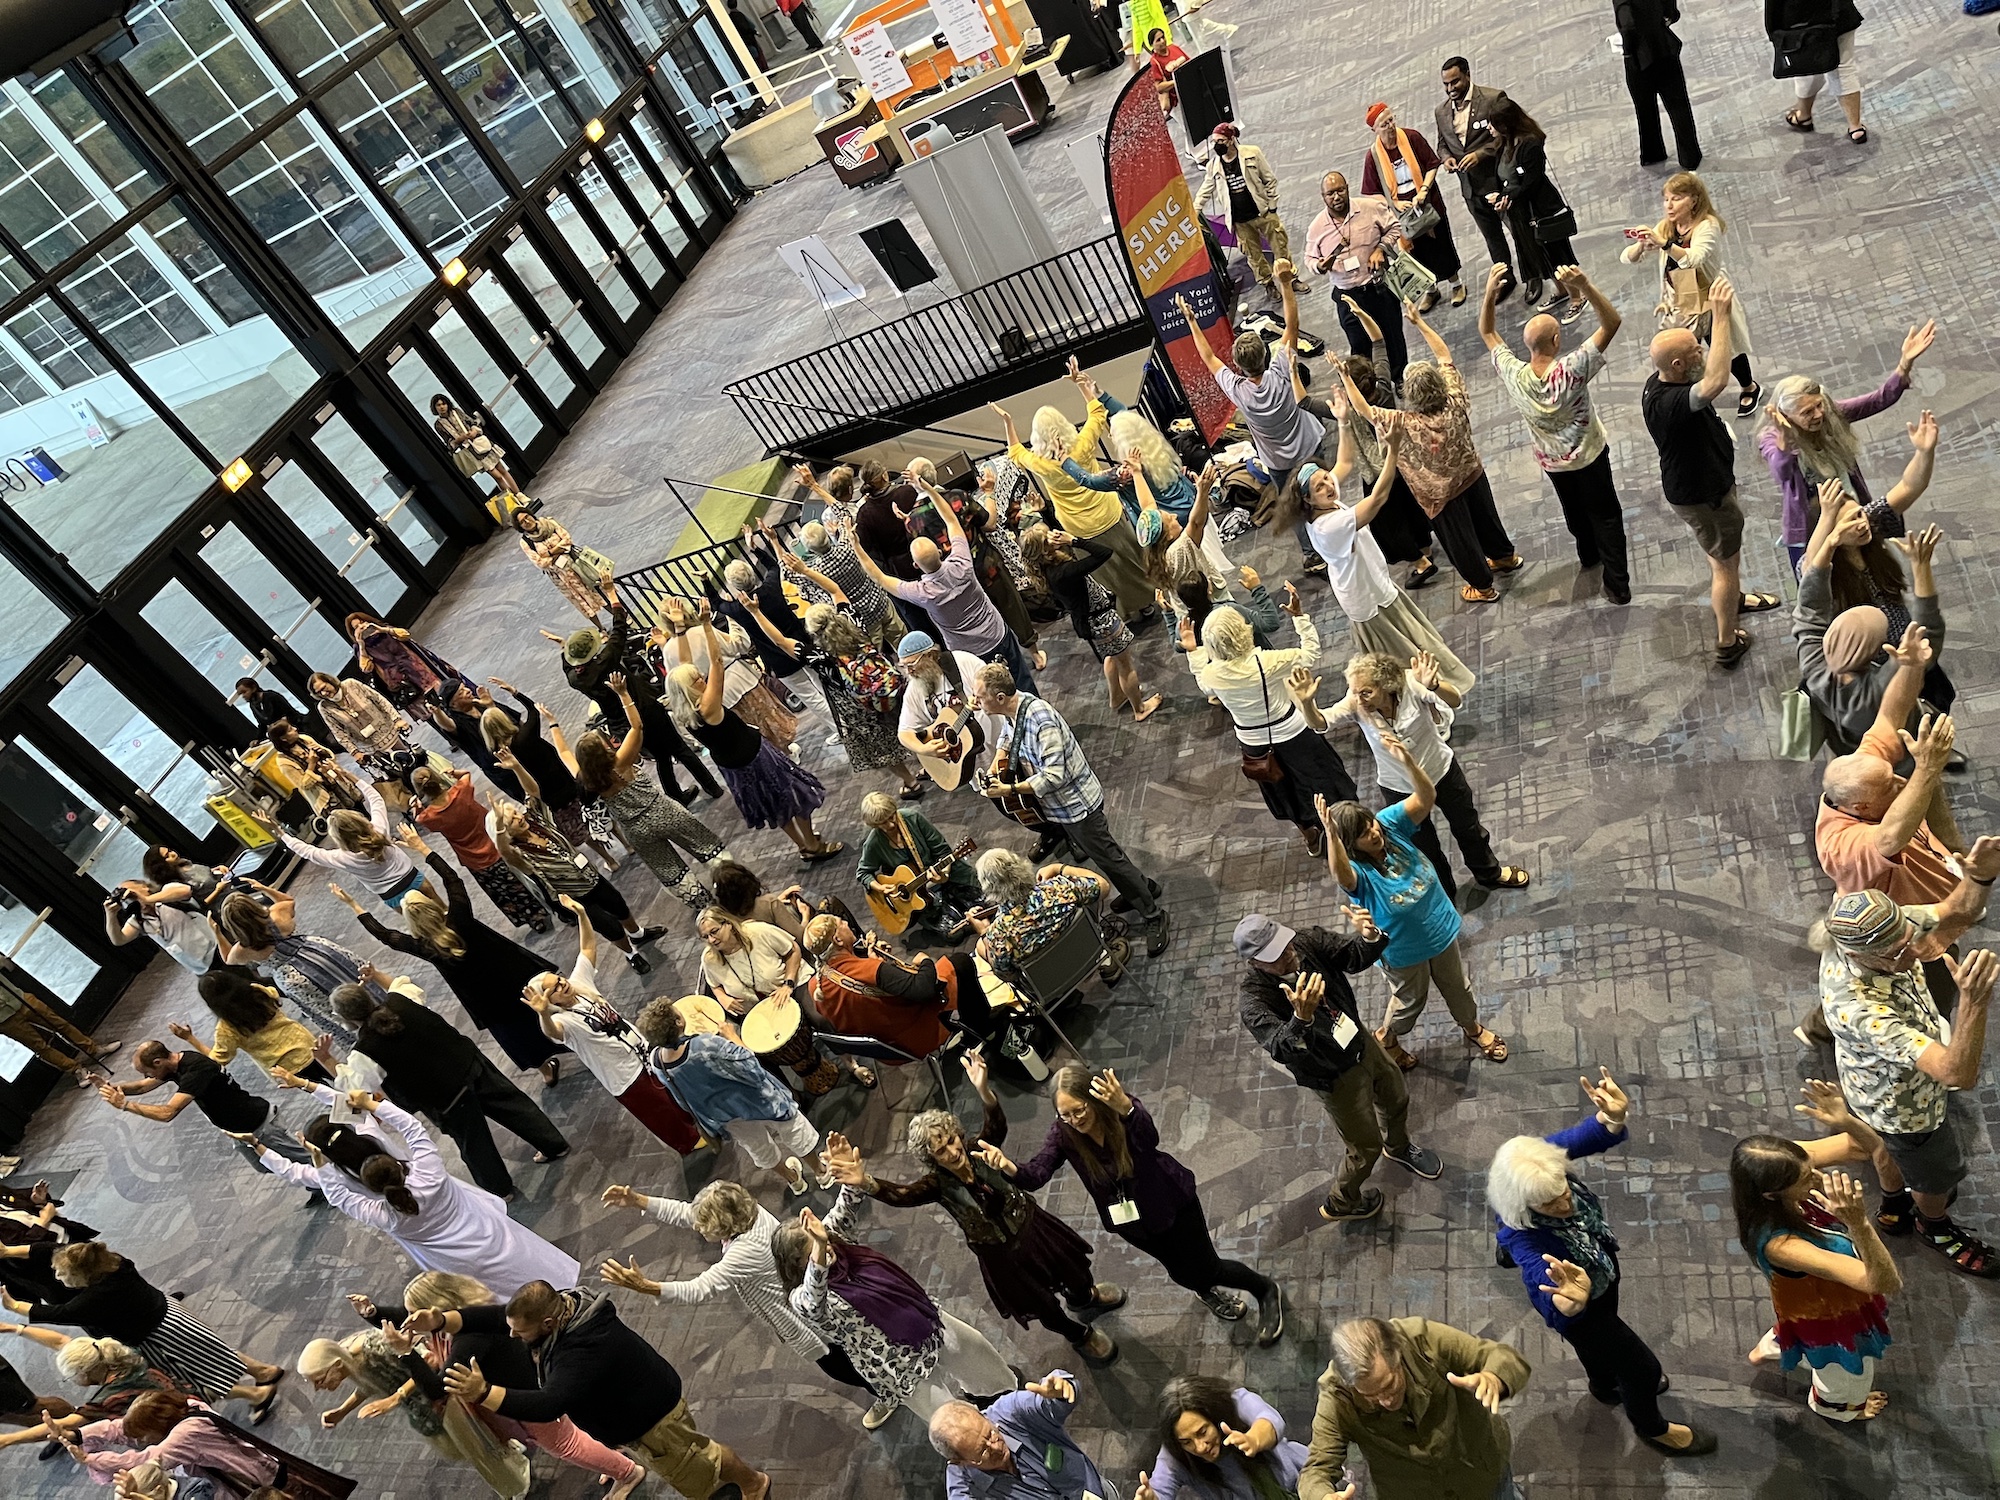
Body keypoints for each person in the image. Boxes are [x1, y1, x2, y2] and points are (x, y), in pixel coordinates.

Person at [825, 1057, 1127, 1364]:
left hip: (1033, 1228)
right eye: (941, 1151)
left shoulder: (977, 1148)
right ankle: (1079, 1335)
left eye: (953, 1140)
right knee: (1044, 1305)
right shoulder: (936, 1184)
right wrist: (865, 1181)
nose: (953, 1151)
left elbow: (997, 1125)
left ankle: (1084, 1298)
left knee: (1071, 1269)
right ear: (931, 1158)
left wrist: (983, 1090)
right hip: (1002, 1257)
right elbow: (901, 1195)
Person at [1487, 1068, 1715, 1455]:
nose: (1566, 1203)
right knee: (1642, 1368)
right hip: (1579, 1301)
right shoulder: (1523, 1236)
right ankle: (1651, 1427)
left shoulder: (1537, 1167)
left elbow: (1575, 1140)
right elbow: (1539, 1277)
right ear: (1522, 1205)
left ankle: (1605, 1385)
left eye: (1563, 1189)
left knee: (1603, 1351)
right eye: (1549, 1203)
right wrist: (1568, 1301)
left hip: (1598, 1270)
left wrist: (1612, 1117)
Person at [983, 1064, 1285, 1344]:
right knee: (1178, 1270)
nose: (1076, 1121)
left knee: (1209, 1267)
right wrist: (1007, 1166)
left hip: (1172, 1205)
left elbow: (1149, 1138)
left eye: (1079, 1110)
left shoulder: (1121, 1111)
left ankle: (1265, 1288)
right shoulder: (1064, 1134)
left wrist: (1125, 1108)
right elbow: (1036, 1174)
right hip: (1132, 1222)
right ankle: (1204, 1289)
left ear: (1094, 1098)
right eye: (1066, 1115)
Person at [1816, 874, 2000, 1275]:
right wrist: (1974, 1002)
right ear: (1866, 956)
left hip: (1866, 1083)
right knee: (1936, 1177)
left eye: (1909, 936)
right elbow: (1957, 1073)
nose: (1916, 951)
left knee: (1887, 1150)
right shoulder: (1862, 1008)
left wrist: (1981, 874)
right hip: (1905, 1105)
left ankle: (1893, 1206)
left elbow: (1957, 910)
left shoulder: (1882, 927)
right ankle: (1932, 1225)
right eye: (1899, 952)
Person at [439, 1279, 771, 1500]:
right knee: (699, 1453)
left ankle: (754, 1485)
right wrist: (438, 1322)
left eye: (520, 1332)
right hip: (642, 1409)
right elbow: (499, 1319)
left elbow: (549, 1404)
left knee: (701, 1462)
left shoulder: (582, 1349)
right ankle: (749, 1481)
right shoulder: (568, 1305)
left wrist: (483, 1392)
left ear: (548, 1325)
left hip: (653, 1423)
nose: (512, 1336)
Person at [259, 1078, 579, 1295]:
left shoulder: (374, 1207)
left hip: (458, 1262)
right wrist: (310, 1085)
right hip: (482, 1226)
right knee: (528, 1259)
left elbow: (323, 1187)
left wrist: (264, 1150)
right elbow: (405, 1124)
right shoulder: (410, 1160)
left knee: (500, 1292)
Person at [1234, 910, 1440, 1226]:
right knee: (1364, 1149)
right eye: (1276, 957)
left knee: (1396, 1094)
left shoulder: (1306, 942)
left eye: (1286, 945)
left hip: (1359, 1041)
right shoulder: (1254, 999)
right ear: (1255, 963)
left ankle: (1398, 1147)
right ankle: (1343, 1201)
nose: (1289, 955)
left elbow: (1353, 957)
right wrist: (1300, 1019)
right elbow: (1280, 1047)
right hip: (1332, 1075)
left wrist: (1371, 937)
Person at [1320, 737, 1511, 1069]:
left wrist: (1409, 762)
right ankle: (1387, 1038)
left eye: (1371, 825)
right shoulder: (1359, 875)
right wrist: (1331, 837)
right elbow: (1340, 874)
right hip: (1402, 952)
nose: (1374, 833)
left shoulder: (1389, 825)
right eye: (1364, 834)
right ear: (1350, 844)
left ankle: (1473, 1029)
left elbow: (1426, 797)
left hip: (1440, 931)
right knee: (1410, 1003)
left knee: (1460, 989)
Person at [362, 1273, 645, 1495]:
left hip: (524, 1397)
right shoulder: (465, 1313)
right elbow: (403, 1316)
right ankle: (611, 1454)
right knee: (571, 1430)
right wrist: (374, 1312)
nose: (408, 1320)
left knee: (565, 1444)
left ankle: (627, 1472)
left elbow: (438, 1389)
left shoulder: (469, 1338)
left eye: (415, 1314)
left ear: (435, 1310)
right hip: (527, 1383)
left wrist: (405, 1353)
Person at [599, 1181, 871, 1405]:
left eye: (705, 1226)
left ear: (722, 1227)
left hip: (803, 1320)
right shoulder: (746, 1212)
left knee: (839, 1364)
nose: (698, 1228)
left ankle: (885, 1392)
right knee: (846, 1351)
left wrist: (646, 1286)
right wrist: (638, 1200)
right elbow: (689, 1214)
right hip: (802, 1298)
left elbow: (700, 1289)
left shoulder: (743, 1253)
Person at [774, 1187, 1018, 1427]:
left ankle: (1001, 1396)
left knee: (976, 1355)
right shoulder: (800, 1298)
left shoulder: (831, 1239)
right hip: (898, 1364)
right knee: (950, 1420)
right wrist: (818, 1246)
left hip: (922, 1321)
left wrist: (851, 1177)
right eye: (815, 1250)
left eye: (823, 1242)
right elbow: (813, 1300)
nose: (826, 1248)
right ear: (798, 1267)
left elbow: (846, 1205)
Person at [973, 661, 1171, 955]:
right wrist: (995, 765)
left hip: (1078, 807)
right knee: (1104, 855)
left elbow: (1054, 776)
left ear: (999, 697)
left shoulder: (1041, 721)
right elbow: (1006, 737)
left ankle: (1153, 914)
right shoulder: (1016, 708)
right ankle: (1142, 887)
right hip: (1060, 809)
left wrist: (1008, 789)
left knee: (1109, 859)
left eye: (980, 696)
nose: (976, 701)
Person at [332, 839, 567, 1085]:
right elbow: (452, 880)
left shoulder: (425, 947)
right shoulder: (460, 916)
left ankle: (545, 1070)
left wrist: (353, 904)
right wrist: (423, 850)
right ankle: (573, 1039)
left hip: (487, 1003)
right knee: (546, 1009)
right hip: (511, 976)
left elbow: (384, 935)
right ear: (431, 906)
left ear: (412, 924)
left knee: (517, 1036)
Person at [1732, 1079, 1900, 1422]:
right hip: (1831, 1318)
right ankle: (1838, 1408)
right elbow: (1881, 1281)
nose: (1819, 1177)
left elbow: (1862, 1148)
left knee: (1794, 1325)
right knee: (1848, 1380)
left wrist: (1846, 1122)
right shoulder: (1783, 1246)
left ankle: (1773, 1346)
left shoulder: (1783, 1167)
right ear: (1772, 1194)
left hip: (1805, 1300)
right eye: (1808, 1178)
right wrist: (1859, 1224)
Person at [1815, 629, 1963, 1012]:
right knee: (1930, 978)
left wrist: (1911, 667)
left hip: (1918, 887)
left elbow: (1889, 715)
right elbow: (1891, 836)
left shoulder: (1864, 773)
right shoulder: (1840, 846)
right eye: (1889, 786)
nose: (1899, 780)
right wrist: (1927, 769)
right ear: (1862, 809)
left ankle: (1820, 1021)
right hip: (1897, 925)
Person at [1641, 274, 1784, 666]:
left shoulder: (1661, 380)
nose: (1702, 354)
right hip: (1704, 495)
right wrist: (1721, 317)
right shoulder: (1672, 404)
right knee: (1725, 564)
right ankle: (1726, 640)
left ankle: (1734, 597)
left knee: (1721, 555)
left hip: (1698, 489)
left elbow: (1706, 368)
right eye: (1695, 352)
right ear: (1677, 364)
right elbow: (1718, 380)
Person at [1339, 302, 1520, 602]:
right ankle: (1504, 557)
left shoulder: (1406, 423)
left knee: (1460, 542)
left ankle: (1483, 587)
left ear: (1410, 395)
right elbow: (1444, 355)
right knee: (1487, 519)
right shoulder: (1455, 397)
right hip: (1472, 473)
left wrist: (1345, 376)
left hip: (1440, 496)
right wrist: (1420, 323)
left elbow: (1364, 409)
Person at [331, 976, 571, 1200]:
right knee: (514, 1106)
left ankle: (500, 1190)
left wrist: (325, 1058)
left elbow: (353, 1090)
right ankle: (554, 1145)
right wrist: (374, 975)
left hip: (446, 1099)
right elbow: (401, 982)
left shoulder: (364, 1053)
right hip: (470, 1064)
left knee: (475, 1145)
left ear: (346, 1018)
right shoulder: (401, 1001)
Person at [1316, 651, 1525, 898]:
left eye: (1366, 692)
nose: (1358, 698)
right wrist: (1309, 704)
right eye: (1355, 691)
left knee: (1468, 828)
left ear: (1385, 685)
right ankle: (1444, 895)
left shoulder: (1411, 683)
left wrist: (1435, 685)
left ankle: (1488, 873)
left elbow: (1455, 699)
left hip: (1441, 771)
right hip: (1399, 787)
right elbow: (1320, 723)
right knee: (1423, 848)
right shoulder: (1356, 702)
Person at [1480, 262, 1631, 602]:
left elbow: (1489, 334)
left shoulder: (1513, 374)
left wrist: (1489, 295)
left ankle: (1588, 556)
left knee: (1575, 512)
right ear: (1557, 339)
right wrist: (1586, 285)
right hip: (1590, 457)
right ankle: (1618, 587)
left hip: (1552, 464)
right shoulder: (1573, 369)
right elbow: (1613, 322)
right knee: (1606, 517)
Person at [1287, 418, 1469, 688]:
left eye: (1325, 478)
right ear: (1307, 499)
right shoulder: (1327, 526)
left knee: (1418, 644)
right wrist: (1393, 450)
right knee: (1402, 663)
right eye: (1319, 487)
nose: (1328, 486)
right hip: (1367, 601)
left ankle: (1440, 694)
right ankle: (1433, 700)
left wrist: (1343, 422)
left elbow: (1346, 462)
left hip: (1376, 586)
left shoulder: (1324, 503)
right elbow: (1378, 499)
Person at [2, 1242, 284, 1414]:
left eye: (61, 1274)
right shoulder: (113, 1263)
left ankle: (257, 1393)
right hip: (170, 1316)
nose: (57, 1277)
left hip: (155, 1338)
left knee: (191, 1376)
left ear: (80, 1275)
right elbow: (51, 1250)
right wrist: (8, 1251)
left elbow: (60, 1312)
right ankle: (263, 1371)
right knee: (212, 1351)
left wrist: (14, 1307)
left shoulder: (94, 1299)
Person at [1184, 578, 1353, 853]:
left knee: (1283, 791)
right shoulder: (1267, 662)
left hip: (1254, 745)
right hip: (1293, 733)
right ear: (1242, 630)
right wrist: (1300, 618)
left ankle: (1310, 836)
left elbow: (1202, 681)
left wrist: (1194, 651)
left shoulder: (1213, 673)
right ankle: (1345, 831)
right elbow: (1311, 653)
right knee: (1325, 781)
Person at [520, 900, 700, 1153]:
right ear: (550, 1001)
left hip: (643, 1051)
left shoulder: (580, 986)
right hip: (624, 1076)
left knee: (674, 1093)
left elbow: (587, 947)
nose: (563, 985)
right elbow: (552, 1032)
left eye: (559, 980)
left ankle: (698, 1124)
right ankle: (690, 1143)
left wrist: (582, 913)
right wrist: (543, 1014)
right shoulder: (564, 1021)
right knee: (660, 1111)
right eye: (555, 989)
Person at [665, 605, 841, 862]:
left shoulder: (687, 713)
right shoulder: (708, 706)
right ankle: (813, 844)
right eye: (698, 680)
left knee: (773, 805)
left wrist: (680, 630)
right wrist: (705, 625)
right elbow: (715, 663)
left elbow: (683, 667)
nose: (702, 678)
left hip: (734, 769)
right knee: (796, 792)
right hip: (756, 758)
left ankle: (802, 845)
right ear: (692, 688)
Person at [1757, 320, 1933, 571]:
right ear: (1786, 415)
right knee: (1820, 577)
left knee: (1869, 563)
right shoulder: (1772, 437)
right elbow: (1781, 472)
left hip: (1851, 506)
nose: (1818, 414)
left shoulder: (1828, 413)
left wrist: (1904, 364)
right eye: (1807, 412)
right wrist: (1786, 439)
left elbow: (1876, 400)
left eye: (1819, 405)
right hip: (1814, 524)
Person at [1298, 1316, 1530, 1500]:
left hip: (1479, 1467)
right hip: (1411, 1491)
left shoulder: (1423, 1339)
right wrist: (1322, 1496)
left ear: (1397, 1355)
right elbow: (1316, 1469)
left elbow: (1503, 1357)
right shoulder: (1337, 1397)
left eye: (1389, 1385)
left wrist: (1494, 1377)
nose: (1386, 1401)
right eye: (1371, 1396)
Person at [852, 474, 1041, 694]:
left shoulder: (922, 593)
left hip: (968, 654)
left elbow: (880, 577)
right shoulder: (962, 562)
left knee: (988, 693)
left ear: (915, 564)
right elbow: (951, 520)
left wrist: (856, 545)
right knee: (1021, 679)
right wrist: (929, 489)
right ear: (941, 551)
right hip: (996, 634)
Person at [1176, 269, 1330, 536]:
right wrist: (1285, 284)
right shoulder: (1282, 367)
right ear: (1265, 353)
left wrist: (1191, 321)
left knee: (1291, 506)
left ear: (1237, 365)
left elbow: (1209, 357)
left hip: (1278, 462)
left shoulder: (1237, 390)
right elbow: (1292, 326)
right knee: (1323, 490)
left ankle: (1311, 552)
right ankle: (1333, 527)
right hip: (1309, 444)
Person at [995, 361, 1155, 617]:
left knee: (1104, 572)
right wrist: (1081, 384)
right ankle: (1147, 602)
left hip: (1077, 528)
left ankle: (1121, 613)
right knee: (1132, 560)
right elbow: (1097, 413)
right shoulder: (1082, 445)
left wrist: (1008, 421)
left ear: (1037, 437)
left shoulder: (1040, 464)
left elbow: (1014, 452)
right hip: (1109, 514)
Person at [489, 751, 671, 973]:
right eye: (513, 821)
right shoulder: (520, 852)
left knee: (617, 904)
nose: (519, 818)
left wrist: (517, 766)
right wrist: (498, 826)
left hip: (589, 875)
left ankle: (637, 934)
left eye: (516, 815)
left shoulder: (536, 821)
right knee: (609, 926)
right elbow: (504, 852)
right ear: (507, 831)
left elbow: (533, 792)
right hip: (573, 895)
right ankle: (630, 954)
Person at [555, 580, 721, 803]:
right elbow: (619, 629)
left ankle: (676, 795)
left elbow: (568, 664)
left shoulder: (575, 678)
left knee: (661, 756)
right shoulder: (606, 660)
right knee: (680, 748)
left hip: (622, 722)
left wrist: (563, 648)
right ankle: (712, 787)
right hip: (646, 708)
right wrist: (612, 595)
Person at [1795, 508, 1945, 754]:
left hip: (1850, 743)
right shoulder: (1885, 683)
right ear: (1875, 651)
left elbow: (1810, 608)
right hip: (1902, 760)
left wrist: (1830, 541)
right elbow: (1929, 637)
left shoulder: (1814, 667)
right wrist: (1921, 567)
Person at [573, 673, 729, 909]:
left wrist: (553, 727)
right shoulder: (621, 763)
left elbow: (565, 755)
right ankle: (730, 883)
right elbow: (637, 725)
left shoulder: (589, 781)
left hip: (635, 830)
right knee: (704, 845)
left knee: (670, 869)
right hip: (661, 810)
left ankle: (704, 906)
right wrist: (624, 694)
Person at [636, 995, 818, 1194]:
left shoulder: (657, 1062)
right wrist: (732, 1036)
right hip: (757, 1100)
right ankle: (821, 1172)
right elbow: (752, 1068)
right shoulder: (705, 1045)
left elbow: (682, 1100)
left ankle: (794, 1180)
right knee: (792, 1128)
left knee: (758, 1146)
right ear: (679, 1022)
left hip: (726, 1116)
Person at [1624, 171, 1761, 416]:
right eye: (1666, 199)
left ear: (1694, 200)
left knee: (1723, 345)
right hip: (1680, 298)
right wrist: (1640, 244)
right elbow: (1628, 258)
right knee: (1684, 352)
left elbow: (1694, 259)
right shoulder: (1667, 226)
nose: (1669, 205)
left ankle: (1749, 386)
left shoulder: (1708, 226)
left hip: (1710, 295)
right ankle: (1693, 395)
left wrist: (1665, 244)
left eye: (1676, 198)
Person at [55, 1389, 355, 1497]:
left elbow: (147, 1461)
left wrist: (92, 1460)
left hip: (261, 1483)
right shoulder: (188, 1406)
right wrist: (81, 1435)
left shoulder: (185, 1436)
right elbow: (127, 1428)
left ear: (157, 1428)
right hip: (263, 1469)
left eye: (146, 1434)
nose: (141, 1439)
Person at [92, 1038, 317, 1181]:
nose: (146, 1076)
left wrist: (124, 1105)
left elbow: (168, 1112)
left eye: (147, 1071)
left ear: (158, 1062)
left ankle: (334, 1181)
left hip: (257, 1123)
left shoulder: (195, 1071)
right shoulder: (176, 1064)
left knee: (301, 1158)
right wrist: (111, 1087)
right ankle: (315, 1183)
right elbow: (142, 1087)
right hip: (239, 1128)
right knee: (264, 1165)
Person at [1019, 521, 1162, 723]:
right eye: (1048, 537)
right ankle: (1139, 708)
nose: (1055, 536)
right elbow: (1104, 553)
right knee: (1125, 665)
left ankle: (1117, 697)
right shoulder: (1063, 572)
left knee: (1111, 657)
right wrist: (1074, 541)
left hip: (1093, 620)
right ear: (1045, 549)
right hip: (1101, 620)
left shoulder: (1049, 569)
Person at [807, 913, 1000, 1059]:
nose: (847, 924)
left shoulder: (815, 986)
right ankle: (984, 1028)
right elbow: (924, 990)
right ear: (838, 940)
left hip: (885, 1048)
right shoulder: (870, 970)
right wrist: (924, 961)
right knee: (960, 962)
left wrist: (876, 964)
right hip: (912, 1036)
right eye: (842, 924)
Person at [792, 601, 928, 793]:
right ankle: (930, 765)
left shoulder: (819, 656)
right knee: (913, 726)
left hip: (865, 708)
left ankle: (911, 783)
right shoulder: (855, 626)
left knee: (884, 749)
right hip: (891, 690)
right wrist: (805, 570)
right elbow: (836, 591)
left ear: (814, 632)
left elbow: (781, 642)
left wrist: (754, 613)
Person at [408, 761, 552, 931]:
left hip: (474, 860)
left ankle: (532, 919)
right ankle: (551, 902)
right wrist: (454, 773)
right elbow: (466, 774)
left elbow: (418, 819)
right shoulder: (462, 791)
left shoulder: (429, 817)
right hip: (497, 845)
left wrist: (416, 807)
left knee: (503, 891)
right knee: (526, 877)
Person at [211, 884, 362, 1045]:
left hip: (293, 979)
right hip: (317, 953)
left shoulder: (243, 949)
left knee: (331, 1011)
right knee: (353, 978)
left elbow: (227, 958)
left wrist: (217, 933)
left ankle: (362, 1040)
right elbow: (288, 900)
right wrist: (264, 889)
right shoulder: (278, 915)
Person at [1304, 174, 1415, 382]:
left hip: (1378, 288)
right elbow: (1309, 259)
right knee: (1359, 345)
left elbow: (1394, 227)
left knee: (1393, 337)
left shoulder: (1369, 208)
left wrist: (1381, 249)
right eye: (1330, 193)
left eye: (1340, 190)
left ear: (1347, 188)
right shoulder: (1316, 227)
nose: (1336, 197)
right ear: (1323, 197)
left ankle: (1399, 378)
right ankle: (1371, 387)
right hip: (1348, 296)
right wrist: (1319, 266)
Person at [263, 779, 438, 910]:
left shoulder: (341, 857)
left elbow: (307, 851)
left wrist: (280, 832)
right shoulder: (379, 830)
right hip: (412, 878)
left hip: (392, 896)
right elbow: (375, 800)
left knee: (423, 930)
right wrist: (350, 776)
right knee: (445, 911)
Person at [975, 848, 1127, 995]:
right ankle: (1104, 958)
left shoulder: (999, 934)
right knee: (1086, 896)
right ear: (1020, 866)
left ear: (988, 890)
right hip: (1087, 954)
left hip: (1050, 986)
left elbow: (1007, 975)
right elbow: (1103, 886)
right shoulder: (1059, 888)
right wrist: (1059, 868)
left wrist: (984, 933)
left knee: (981, 947)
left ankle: (1062, 1000)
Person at [930, 1371, 1103, 1500]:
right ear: (961, 1462)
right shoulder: (966, 1491)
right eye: (983, 1451)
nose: (996, 1447)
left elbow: (1047, 1401)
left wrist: (1062, 1391)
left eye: (991, 1434)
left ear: (983, 1416)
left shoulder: (1011, 1412)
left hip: (1095, 1489)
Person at [1358, 101, 1464, 310]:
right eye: (1384, 124)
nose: (1390, 126)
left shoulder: (1411, 137)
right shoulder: (1373, 157)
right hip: (1403, 215)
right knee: (1417, 253)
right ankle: (1431, 290)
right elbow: (1372, 193)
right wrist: (1394, 202)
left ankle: (1456, 284)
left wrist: (1424, 190)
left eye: (1391, 120)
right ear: (1374, 130)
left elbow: (1432, 164)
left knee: (1441, 245)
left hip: (1427, 204)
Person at [1137, 1374, 1311, 1500]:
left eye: (1202, 1432)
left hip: (1299, 1479)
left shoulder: (1235, 1403)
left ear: (1214, 1416)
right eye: (1187, 1442)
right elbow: (1160, 1487)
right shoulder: (1175, 1455)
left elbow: (1270, 1420)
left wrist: (1253, 1439)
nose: (1200, 1447)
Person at [1484, 99, 1579, 317]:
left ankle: (1577, 297)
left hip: (1542, 210)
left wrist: (1508, 196)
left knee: (1558, 255)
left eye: (1492, 123)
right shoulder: (1504, 144)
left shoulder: (1531, 144)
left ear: (1506, 124)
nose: (1489, 128)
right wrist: (1502, 196)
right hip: (1522, 213)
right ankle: (1562, 291)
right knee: (1540, 255)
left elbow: (1531, 181)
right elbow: (1507, 178)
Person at [1434, 56, 1518, 297]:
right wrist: (1446, 158)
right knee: (1492, 237)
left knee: (1518, 231)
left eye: (1455, 82)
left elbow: (1506, 135)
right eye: (1446, 84)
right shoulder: (1441, 112)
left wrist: (1481, 154)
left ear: (1468, 75)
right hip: (1470, 189)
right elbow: (1442, 143)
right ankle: (1506, 278)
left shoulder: (1492, 99)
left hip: (1499, 182)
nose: (1450, 89)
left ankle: (1534, 275)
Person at [855, 793, 981, 947]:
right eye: (883, 823)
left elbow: (943, 851)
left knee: (987, 902)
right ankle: (954, 909)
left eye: (891, 816)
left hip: (943, 875)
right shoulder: (874, 843)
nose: (891, 824)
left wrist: (944, 874)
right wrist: (881, 887)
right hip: (920, 895)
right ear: (874, 825)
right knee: (954, 934)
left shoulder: (912, 818)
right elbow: (863, 873)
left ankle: (958, 907)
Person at [766, 515, 903, 655]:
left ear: (809, 549)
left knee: (876, 656)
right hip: (880, 603)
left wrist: (774, 541)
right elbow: (843, 513)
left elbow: (786, 570)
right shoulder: (847, 547)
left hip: (862, 621)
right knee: (903, 639)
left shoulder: (813, 574)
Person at [1196, 123, 1293, 295]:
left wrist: (1271, 206)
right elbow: (1205, 189)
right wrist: (1195, 210)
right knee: (1254, 256)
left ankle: (1291, 278)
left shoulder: (1252, 154)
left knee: (1280, 246)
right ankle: (1268, 284)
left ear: (1232, 139)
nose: (1217, 145)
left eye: (1221, 140)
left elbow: (1269, 179)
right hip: (1240, 220)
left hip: (1262, 212)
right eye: (1214, 141)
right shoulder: (1214, 166)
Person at [187, 967, 329, 1084]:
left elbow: (218, 1059)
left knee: (326, 1094)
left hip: (287, 1066)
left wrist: (189, 1038)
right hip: (307, 1044)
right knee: (341, 1076)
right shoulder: (256, 991)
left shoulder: (227, 1028)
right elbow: (274, 994)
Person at [104, 849, 219, 976]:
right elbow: (119, 940)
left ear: (144, 886)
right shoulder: (139, 920)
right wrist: (111, 915)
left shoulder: (165, 894)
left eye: (132, 892)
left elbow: (185, 891)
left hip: (216, 947)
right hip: (201, 966)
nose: (132, 898)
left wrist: (146, 899)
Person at [1616, 0, 1702, 167]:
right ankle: (1690, 156)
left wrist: (1628, 51)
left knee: (1645, 108)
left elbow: (1627, 25)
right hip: (1664, 47)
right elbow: (1671, 11)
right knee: (1678, 105)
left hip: (1640, 59)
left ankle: (1653, 153)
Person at [1772, 0, 1867, 141]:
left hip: (1797, 22)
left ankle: (1803, 116)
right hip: (1837, 13)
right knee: (1843, 68)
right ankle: (1856, 127)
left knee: (1805, 68)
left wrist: (1774, 33)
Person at [0, 981, 119, 1080]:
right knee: (40, 1047)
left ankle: (93, 1050)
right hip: (4, 1019)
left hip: (20, 998)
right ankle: (75, 1069)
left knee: (61, 1025)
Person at [515, 510, 613, 622]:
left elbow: (567, 539)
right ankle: (601, 629)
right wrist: (556, 552)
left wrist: (549, 553)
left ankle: (621, 617)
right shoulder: (525, 542)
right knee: (580, 601)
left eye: (527, 517)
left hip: (576, 564)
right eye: (522, 522)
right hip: (560, 576)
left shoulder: (548, 522)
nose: (527, 521)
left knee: (597, 589)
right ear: (520, 526)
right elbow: (539, 562)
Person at [431, 393, 518, 493]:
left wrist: (473, 431)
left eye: (443, 404)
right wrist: (459, 439)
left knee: (501, 469)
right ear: (435, 408)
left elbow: (472, 422)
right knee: (496, 476)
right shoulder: (439, 424)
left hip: (479, 442)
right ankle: (514, 498)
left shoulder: (457, 412)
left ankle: (519, 494)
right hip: (470, 451)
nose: (442, 407)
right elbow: (449, 443)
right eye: (438, 405)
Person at [1143, 26, 1189, 114]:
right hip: (1177, 103)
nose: (1162, 41)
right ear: (1152, 45)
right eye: (1158, 40)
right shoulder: (1154, 62)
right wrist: (1177, 81)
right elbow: (1159, 87)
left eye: (1163, 37)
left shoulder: (1174, 48)